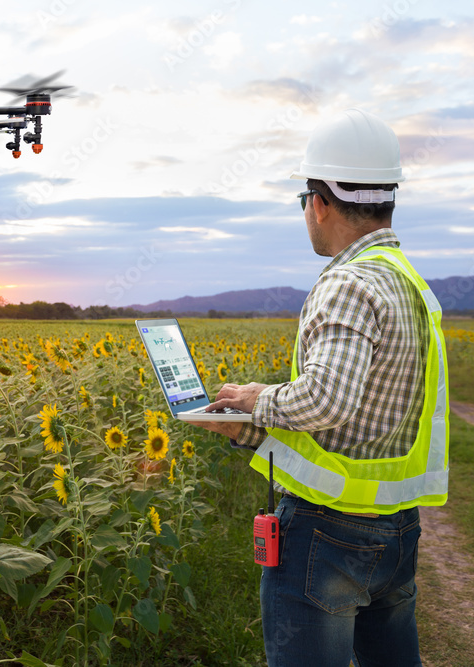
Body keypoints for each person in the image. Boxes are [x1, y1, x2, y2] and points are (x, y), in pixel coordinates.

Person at [192, 108, 449, 667]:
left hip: (329, 535)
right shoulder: (409, 283)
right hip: (398, 528)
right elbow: (365, 409)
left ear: (321, 201)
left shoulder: (347, 283)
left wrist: (258, 401)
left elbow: (329, 400)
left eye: (304, 201)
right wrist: (256, 420)